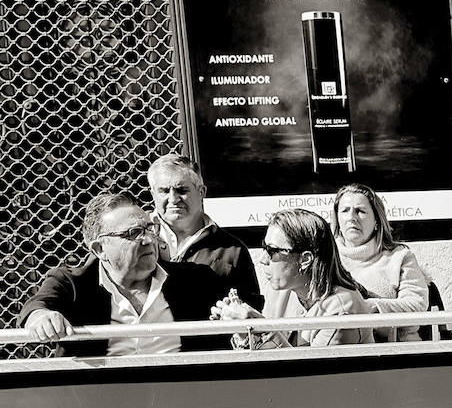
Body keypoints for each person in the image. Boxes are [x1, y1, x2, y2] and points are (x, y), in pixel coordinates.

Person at [20, 192, 233, 356]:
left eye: (149, 229)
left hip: (181, 394)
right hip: (100, 395)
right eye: (133, 233)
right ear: (100, 249)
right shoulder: (73, 283)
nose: (148, 240)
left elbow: (233, 328)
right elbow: (36, 307)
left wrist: (239, 323)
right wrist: (41, 318)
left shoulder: (195, 280)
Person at [218, 208, 373, 348]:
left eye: (272, 251)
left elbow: (309, 369)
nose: (263, 259)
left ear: (305, 259)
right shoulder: (279, 290)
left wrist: (258, 329)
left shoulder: (341, 310)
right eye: (264, 247)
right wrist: (242, 331)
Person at [146, 153, 263, 310]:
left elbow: (250, 312)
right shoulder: (137, 239)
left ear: (201, 192)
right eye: (164, 191)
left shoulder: (232, 250)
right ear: (153, 194)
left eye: (182, 190)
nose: (173, 199)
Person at [331, 182, 431, 341]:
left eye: (360, 211)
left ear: (377, 221)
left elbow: (417, 304)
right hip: (341, 348)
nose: (351, 218)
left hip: (395, 348)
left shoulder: (399, 257)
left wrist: (371, 307)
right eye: (345, 210)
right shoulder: (326, 259)